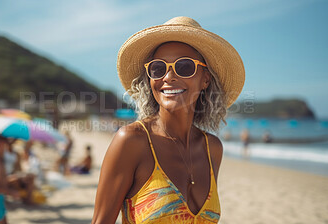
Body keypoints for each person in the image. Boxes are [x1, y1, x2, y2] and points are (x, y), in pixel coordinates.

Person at [92, 16, 245, 223]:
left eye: (184, 67)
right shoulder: (131, 141)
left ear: (205, 79)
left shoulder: (212, 148)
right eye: (158, 68)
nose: (168, 76)